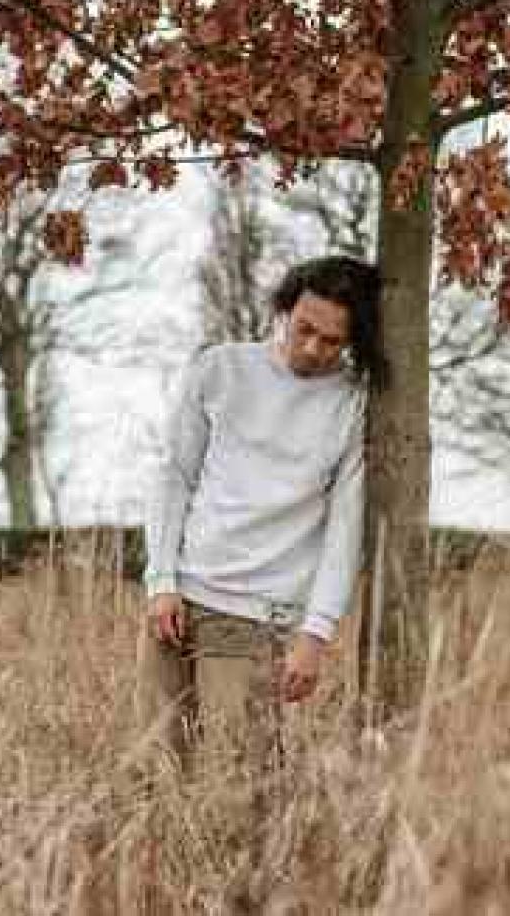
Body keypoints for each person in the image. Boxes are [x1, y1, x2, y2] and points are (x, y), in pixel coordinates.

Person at [138, 255, 386, 778]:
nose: (314, 349)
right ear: (284, 311)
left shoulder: (351, 405)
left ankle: (254, 864)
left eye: (333, 341)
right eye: (305, 330)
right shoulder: (220, 369)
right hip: (177, 601)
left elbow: (346, 531)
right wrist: (161, 579)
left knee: (240, 785)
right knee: (155, 773)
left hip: (256, 616)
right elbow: (173, 475)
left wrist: (315, 636)